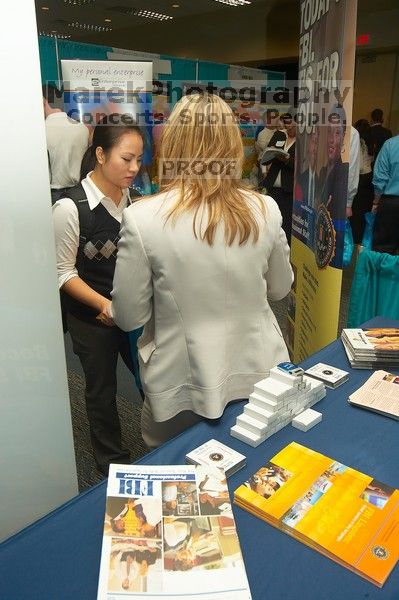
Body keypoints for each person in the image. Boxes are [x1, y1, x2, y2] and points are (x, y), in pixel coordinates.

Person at [111, 93, 293, 449]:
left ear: (174, 143)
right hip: (260, 372)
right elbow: (279, 290)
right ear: (231, 145)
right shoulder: (265, 209)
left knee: (179, 483)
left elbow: (129, 316)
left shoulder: (143, 217)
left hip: (180, 383)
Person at [52, 118, 144, 474]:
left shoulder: (132, 200)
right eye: (127, 159)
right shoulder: (70, 208)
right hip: (93, 317)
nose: (135, 168)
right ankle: (112, 467)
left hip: (132, 312)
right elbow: (62, 273)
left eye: (139, 160)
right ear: (101, 155)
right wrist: (104, 305)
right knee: (102, 393)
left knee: (149, 380)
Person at [43, 83, 89, 203]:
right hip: (80, 192)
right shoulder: (82, 129)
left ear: (44, 101)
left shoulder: (41, 131)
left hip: (52, 196)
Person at [262, 113, 296, 244]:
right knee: (270, 221)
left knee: (285, 224)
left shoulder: (303, 142)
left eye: (291, 123)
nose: (288, 127)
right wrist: (270, 155)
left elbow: (302, 165)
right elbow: (266, 155)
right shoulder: (279, 135)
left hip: (288, 190)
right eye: (287, 123)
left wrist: (287, 159)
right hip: (272, 188)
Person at [371, 134, 399, 254]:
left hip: (390, 204)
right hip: (391, 203)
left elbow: (380, 178)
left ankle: (385, 272)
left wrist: (376, 202)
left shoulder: (390, 144)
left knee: (384, 249)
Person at [349, 119, 374, 244]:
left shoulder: (356, 140)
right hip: (369, 178)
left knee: (355, 212)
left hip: (359, 178)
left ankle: (353, 239)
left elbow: (356, 167)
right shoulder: (370, 141)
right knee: (363, 211)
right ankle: (360, 240)